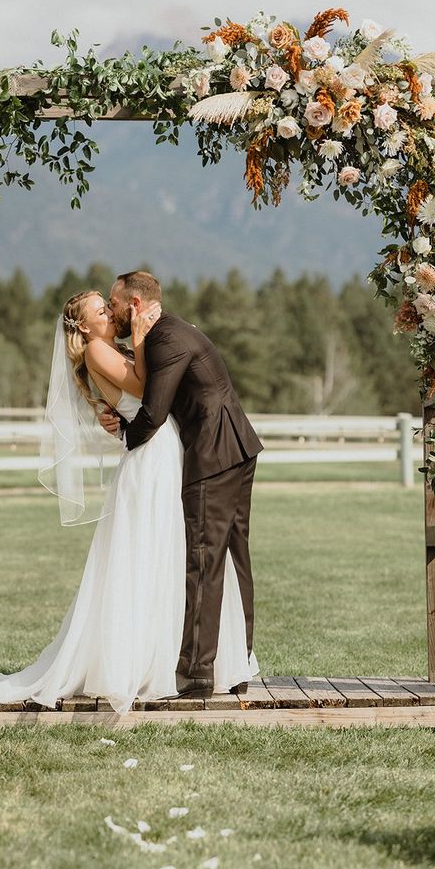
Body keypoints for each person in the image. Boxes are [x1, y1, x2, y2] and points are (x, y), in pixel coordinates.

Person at [0, 283, 258, 714]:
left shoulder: (114, 349)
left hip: (163, 452)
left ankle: (175, 656)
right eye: (99, 311)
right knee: (159, 553)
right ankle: (155, 662)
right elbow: (145, 386)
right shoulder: (96, 352)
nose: (109, 314)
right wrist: (145, 341)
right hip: (149, 457)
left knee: (173, 554)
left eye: (108, 307)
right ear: (84, 327)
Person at [104, 270, 263, 698]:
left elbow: (154, 413)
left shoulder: (165, 340)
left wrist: (123, 434)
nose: (111, 309)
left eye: (114, 303)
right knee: (230, 557)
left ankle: (196, 672)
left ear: (134, 304)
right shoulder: (171, 331)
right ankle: (238, 663)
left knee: (203, 558)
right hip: (235, 447)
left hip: (214, 454)